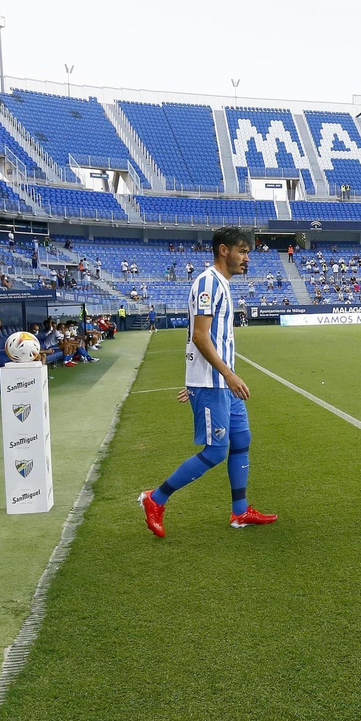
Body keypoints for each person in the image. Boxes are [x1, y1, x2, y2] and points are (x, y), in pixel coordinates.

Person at [139, 227, 278, 537]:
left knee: (241, 441)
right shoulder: (207, 283)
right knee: (216, 451)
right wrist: (217, 377)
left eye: (248, 253)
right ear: (223, 250)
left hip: (218, 383)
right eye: (242, 251)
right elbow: (200, 335)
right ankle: (155, 499)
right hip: (215, 382)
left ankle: (240, 513)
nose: (246, 258)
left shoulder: (222, 285)